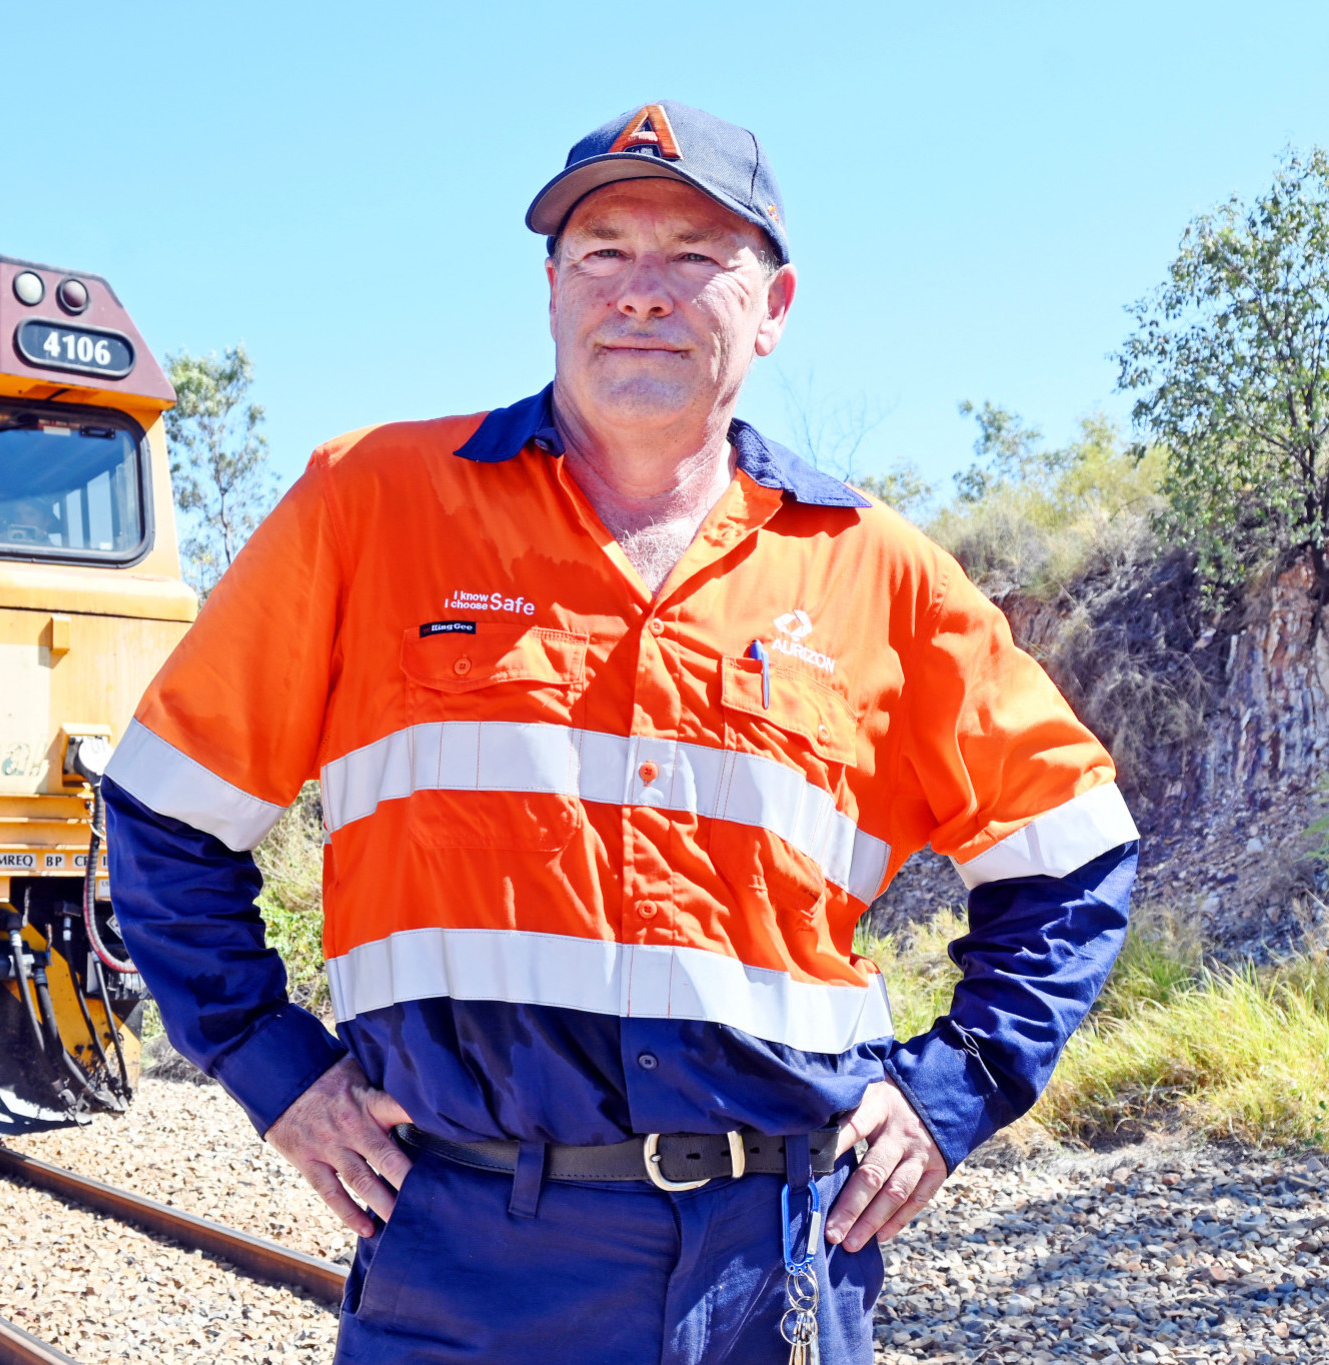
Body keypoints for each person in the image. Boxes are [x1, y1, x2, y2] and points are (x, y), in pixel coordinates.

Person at [101, 100, 1136, 1364]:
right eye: (602, 252)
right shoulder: (367, 507)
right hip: (468, 1249)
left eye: (693, 258)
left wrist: (955, 1090)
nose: (639, 292)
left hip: (778, 1261)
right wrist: (276, 1070)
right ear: (550, 288)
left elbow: (1071, 851)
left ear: (772, 306)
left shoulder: (880, 574)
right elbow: (163, 809)